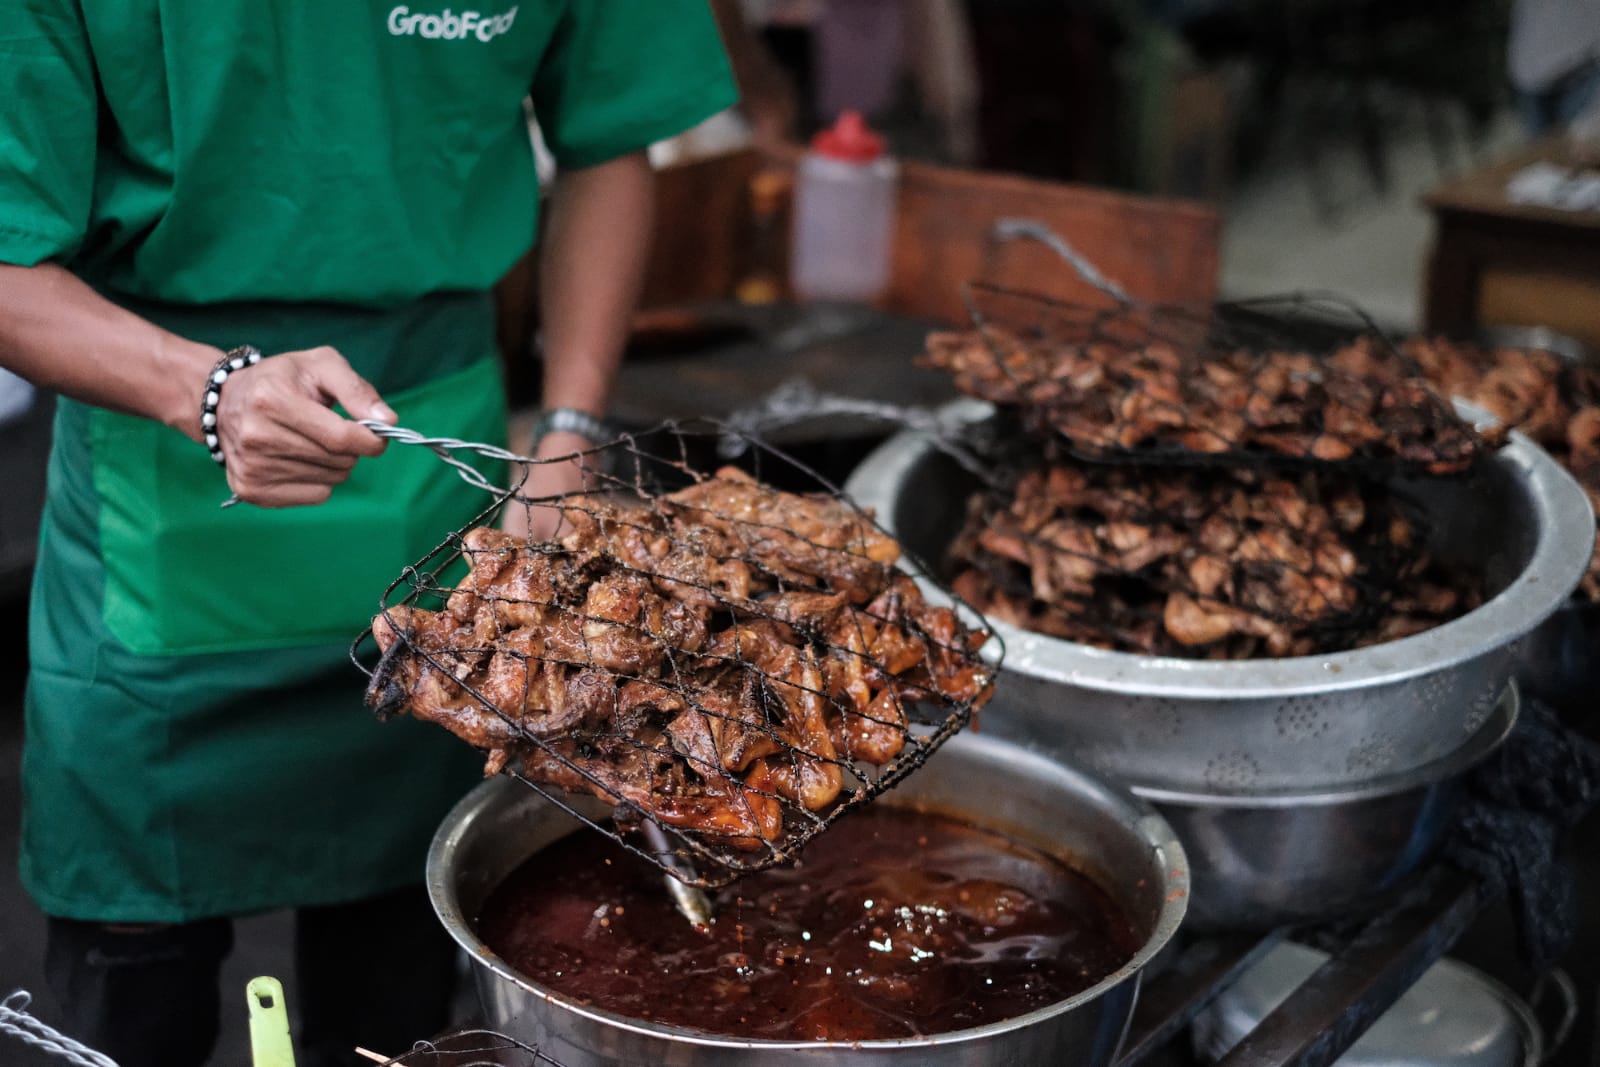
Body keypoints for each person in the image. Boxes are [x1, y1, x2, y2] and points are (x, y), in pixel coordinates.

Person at [0, 3, 736, 1065]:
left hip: (439, 497)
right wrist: (203, 391)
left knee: (407, 977)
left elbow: (610, 138)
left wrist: (568, 424)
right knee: (131, 989)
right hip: (159, 496)